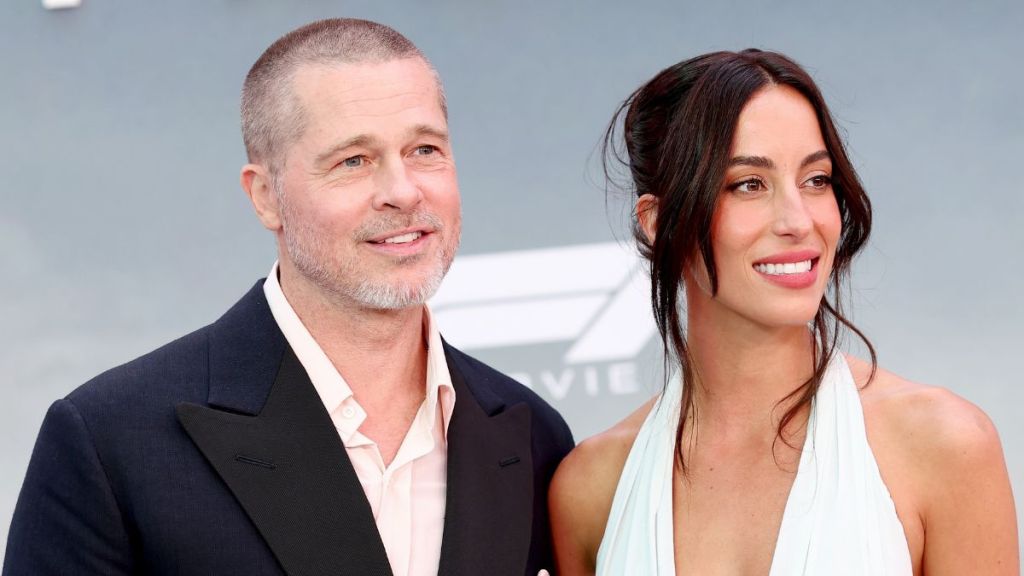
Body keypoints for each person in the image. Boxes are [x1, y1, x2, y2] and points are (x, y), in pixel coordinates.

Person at [4, 18, 573, 576]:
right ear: (265, 196)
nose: (402, 191)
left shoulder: (533, 437)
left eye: (424, 150)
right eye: (354, 160)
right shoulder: (112, 440)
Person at [549, 49, 1018, 575]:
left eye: (816, 180)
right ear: (658, 223)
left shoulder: (943, 444)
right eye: (749, 184)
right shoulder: (592, 487)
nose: (799, 221)